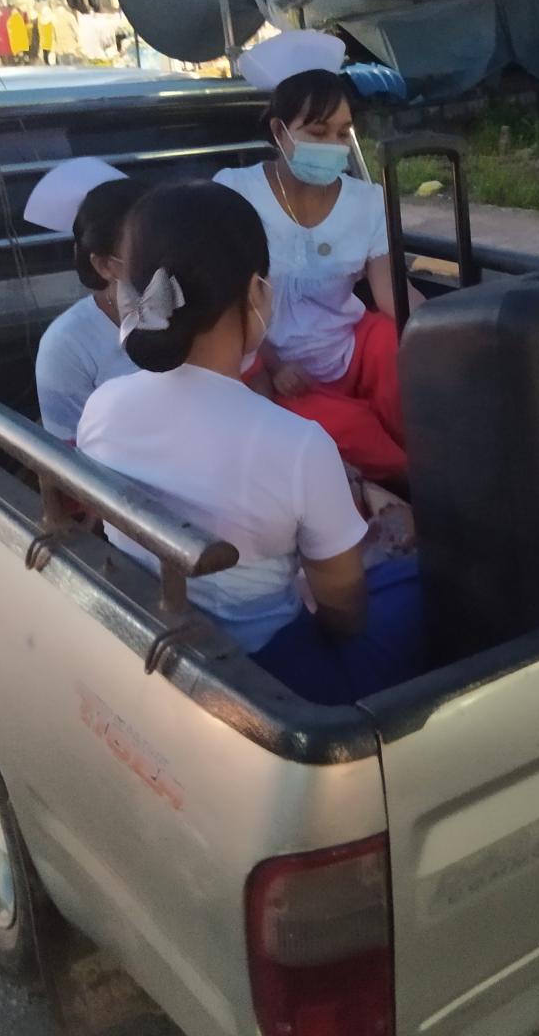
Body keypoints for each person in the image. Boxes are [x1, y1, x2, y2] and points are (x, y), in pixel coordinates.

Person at [76, 181, 424, 705]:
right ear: (257, 292)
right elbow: (345, 615)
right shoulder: (298, 445)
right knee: (428, 582)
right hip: (271, 678)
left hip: (156, 638)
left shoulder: (101, 408)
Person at [214, 29, 421, 484]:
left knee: (398, 351)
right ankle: (411, 482)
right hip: (276, 369)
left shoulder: (367, 201)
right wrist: (271, 363)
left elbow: (394, 294)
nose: (333, 145)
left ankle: (425, 463)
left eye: (343, 133)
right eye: (318, 132)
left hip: (350, 350)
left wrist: (455, 335)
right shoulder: (234, 193)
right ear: (279, 131)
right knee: (356, 436)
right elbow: (224, 303)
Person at [26, 158, 145, 442]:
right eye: (146, 252)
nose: (166, 262)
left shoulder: (194, 304)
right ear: (104, 265)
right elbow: (67, 454)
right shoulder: (66, 344)